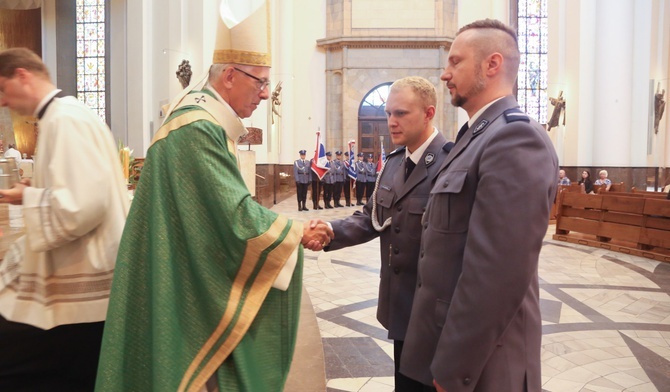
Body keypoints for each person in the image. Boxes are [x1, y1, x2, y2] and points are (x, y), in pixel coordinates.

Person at [94, 4, 334, 391]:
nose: (264, 94)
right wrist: (295, 232)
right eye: (259, 82)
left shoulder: (198, 121)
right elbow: (232, 219)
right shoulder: (198, 129)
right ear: (229, 77)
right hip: (184, 282)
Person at [400, 19, 558, 392]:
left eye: (455, 62)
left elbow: (497, 274)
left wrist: (455, 368)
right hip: (447, 349)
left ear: (492, 64)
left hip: (484, 365)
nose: (445, 74)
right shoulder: (477, 136)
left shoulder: (515, 137)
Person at [0, 47, 130, 391]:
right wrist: (37, 186)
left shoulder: (64, 119)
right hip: (83, 287)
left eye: (2, 89)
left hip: (82, 289)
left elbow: (83, 205)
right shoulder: (65, 114)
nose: (2, 102)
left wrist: (26, 196)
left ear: (22, 76)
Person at [318, 76, 449, 391]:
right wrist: (328, 230)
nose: (390, 121)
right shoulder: (393, 163)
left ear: (429, 113)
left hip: (436, 316)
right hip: (401, 306)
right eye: (389, 113)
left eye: (401, 114)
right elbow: (372, 218)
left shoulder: (451, 164)